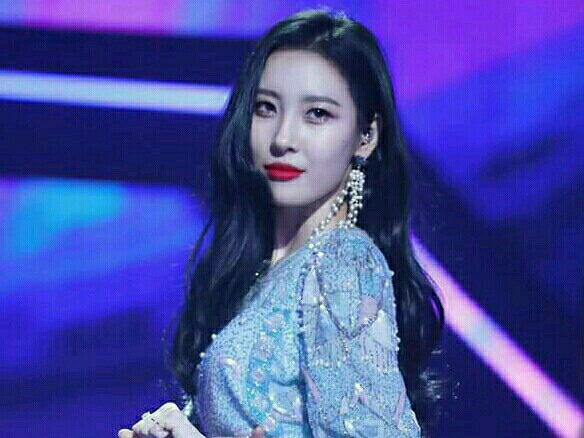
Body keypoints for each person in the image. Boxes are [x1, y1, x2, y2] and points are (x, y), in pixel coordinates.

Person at [118, 7, 444, 438]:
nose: (283, 138)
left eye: (317, 114)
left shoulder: (343, 262)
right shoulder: (262, 270)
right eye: (266, 108)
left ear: (366, 137)